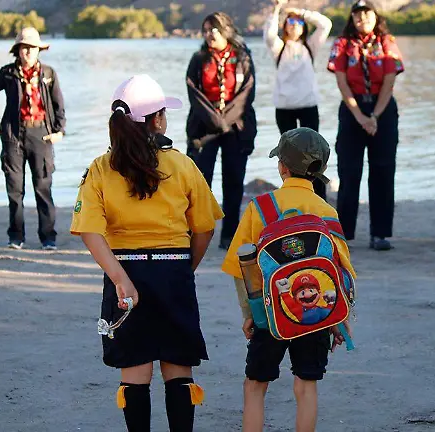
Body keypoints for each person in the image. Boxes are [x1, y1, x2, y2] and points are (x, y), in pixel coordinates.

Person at [70, 75, 224, 431]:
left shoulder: (100, 168)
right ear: (157, 120)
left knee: (135, 369)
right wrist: (186, 266)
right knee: (178, 368)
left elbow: (88, 230)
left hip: (125, 272)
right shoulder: (182, 165)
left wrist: (120, 278)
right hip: (173, 272)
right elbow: (204, 228)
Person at [221, 127, 356, 432]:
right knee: (305, 387)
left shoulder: (261, 207)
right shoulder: (326, 211)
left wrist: (250, 315)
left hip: (269, 315)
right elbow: (342, 271)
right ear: (319, 171)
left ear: (282, 167)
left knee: (255, 386)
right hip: (317, 313)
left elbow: (242, 268)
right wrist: (340, 317)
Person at [327, 0, 404, 251]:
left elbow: (390, 81)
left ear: (375, 15)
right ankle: (344, 234)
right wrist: (360, 116)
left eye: (367, 14)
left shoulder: (386, 42)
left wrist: (375, 116)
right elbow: (341, 82)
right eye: (358, 16)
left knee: (383, 171)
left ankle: (380, 234)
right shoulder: (342, 44)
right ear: (352, 18)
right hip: (352, 110)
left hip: (383, 108)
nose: (363, 19)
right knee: (349, 172)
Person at [0, 27, 65, 250]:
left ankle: (48, 238)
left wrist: (59, 131)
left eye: (32, 48)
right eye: (24, 48)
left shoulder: (49, 74)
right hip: (12, 136)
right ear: (18, 50)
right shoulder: (7, 73)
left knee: (43, 187)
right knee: (15, 190)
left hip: (42, 135)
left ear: (39, 50)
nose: (28, 52)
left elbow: (59, 106)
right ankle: (16, 237)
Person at [186, 12, 257, 250]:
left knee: (234, 180)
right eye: (205, 30)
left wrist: (226, 120)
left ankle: (229, 234)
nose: (209, 34)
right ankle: (197, 233)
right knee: (199, 181)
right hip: (204, 126)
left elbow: (247, 92)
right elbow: (193, 92)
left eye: (213, 29)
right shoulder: (198, 59)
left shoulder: (243, 57)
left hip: (237, 126)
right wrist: (215, 120)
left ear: (226, 29)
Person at [265, 0, 333, 200]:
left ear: (303, 26)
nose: (294, 25)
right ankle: (292, 197)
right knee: (287, 155)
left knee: (315, 154)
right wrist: (277, 9)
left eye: (298, 23)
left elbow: (325, 25)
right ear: (284, 26)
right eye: (290, 22)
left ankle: (319, 198)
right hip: (284, 108)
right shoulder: (279, 48)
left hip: (308, 107)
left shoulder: (310, 46)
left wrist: (302, 13)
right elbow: (269, 34)